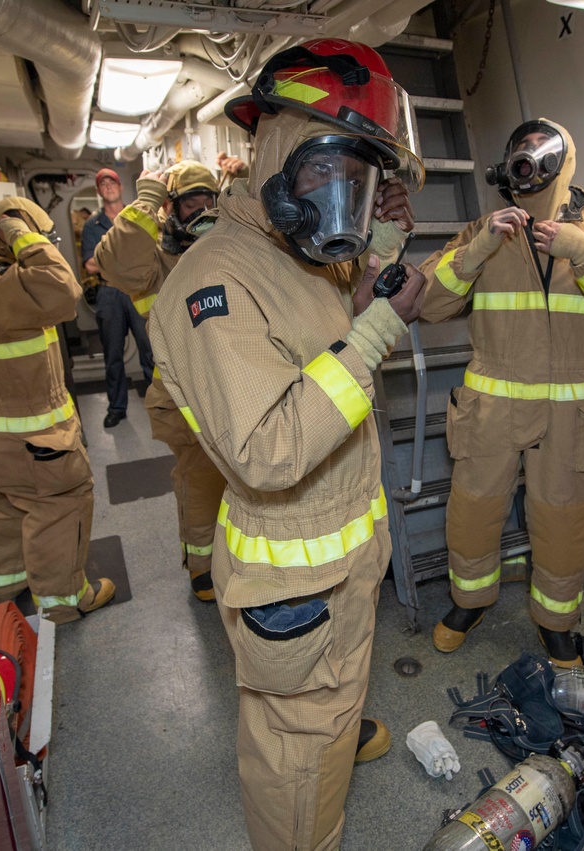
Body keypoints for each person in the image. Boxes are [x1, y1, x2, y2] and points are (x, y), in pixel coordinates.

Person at [147, 39, 425, 851]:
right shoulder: (217, 282)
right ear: (274, 155)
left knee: (324, 716)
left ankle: (334, 725)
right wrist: (376, 328)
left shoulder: (298, 253)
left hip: (339, 566)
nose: (342, 201)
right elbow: (268, 446)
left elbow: (332, 331)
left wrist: (380, 260)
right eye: (327, 173)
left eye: (359, 182)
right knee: (294, 766)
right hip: (294, 585)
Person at [419, 118, 584, 666]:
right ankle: (469, 600)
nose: (526, 163)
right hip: (491, 403)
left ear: (561, 161)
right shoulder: (486, 229)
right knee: (474, 510)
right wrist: (479, 248)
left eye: (536, 153)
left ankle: (556, 622)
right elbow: (430, 304)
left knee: (563, 517)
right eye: (518, 154)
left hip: (565, 410)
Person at [0, 196, 115, 624]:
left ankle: (7, 582)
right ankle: (64, 601)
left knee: (6, 504)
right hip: (30, 429)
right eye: (41, 237)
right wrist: (19, 230)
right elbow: (63, 293)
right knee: (58, 507)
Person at [93, 160, 227, 602]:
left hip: (233, 378)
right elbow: (112, 262)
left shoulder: (230, 242)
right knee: (201, 477)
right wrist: (145, 200)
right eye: (192, 200)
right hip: (183, 387)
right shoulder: (153, 256)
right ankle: (202, 567)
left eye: (210, 198)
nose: (204, 208)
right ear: (172, 207)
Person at [82, 167, 154, 428]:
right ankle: (117, 408)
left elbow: (149, 249)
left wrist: (111, 260)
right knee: (113, 354)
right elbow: (90, 264)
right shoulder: (93, 224)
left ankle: (162, 405)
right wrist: (126, 262)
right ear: (99, 191)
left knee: (150, 350)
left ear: (121, 187)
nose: (109, 187)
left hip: (137, 290)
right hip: (109, 293)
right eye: (103, 184)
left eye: (112, 182)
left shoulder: (134, 217)